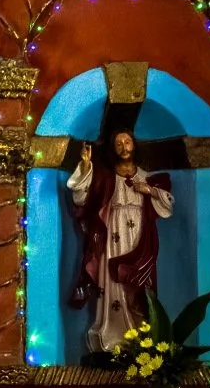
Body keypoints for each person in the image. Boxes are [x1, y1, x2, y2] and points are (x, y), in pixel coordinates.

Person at [68, 131, 176, 355]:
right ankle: (112, 336)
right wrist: (86, 167)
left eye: (127, 142)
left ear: (134, 145)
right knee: (112, 281)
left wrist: (149, 190)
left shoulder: (146, 177)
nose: (124, 147)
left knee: (138, 286)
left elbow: (167, 206)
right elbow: (82, 198)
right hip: (113, 235)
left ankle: (143, 337)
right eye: (118, 143)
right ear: (113, 148)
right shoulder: (106, 178)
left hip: (140, 238)